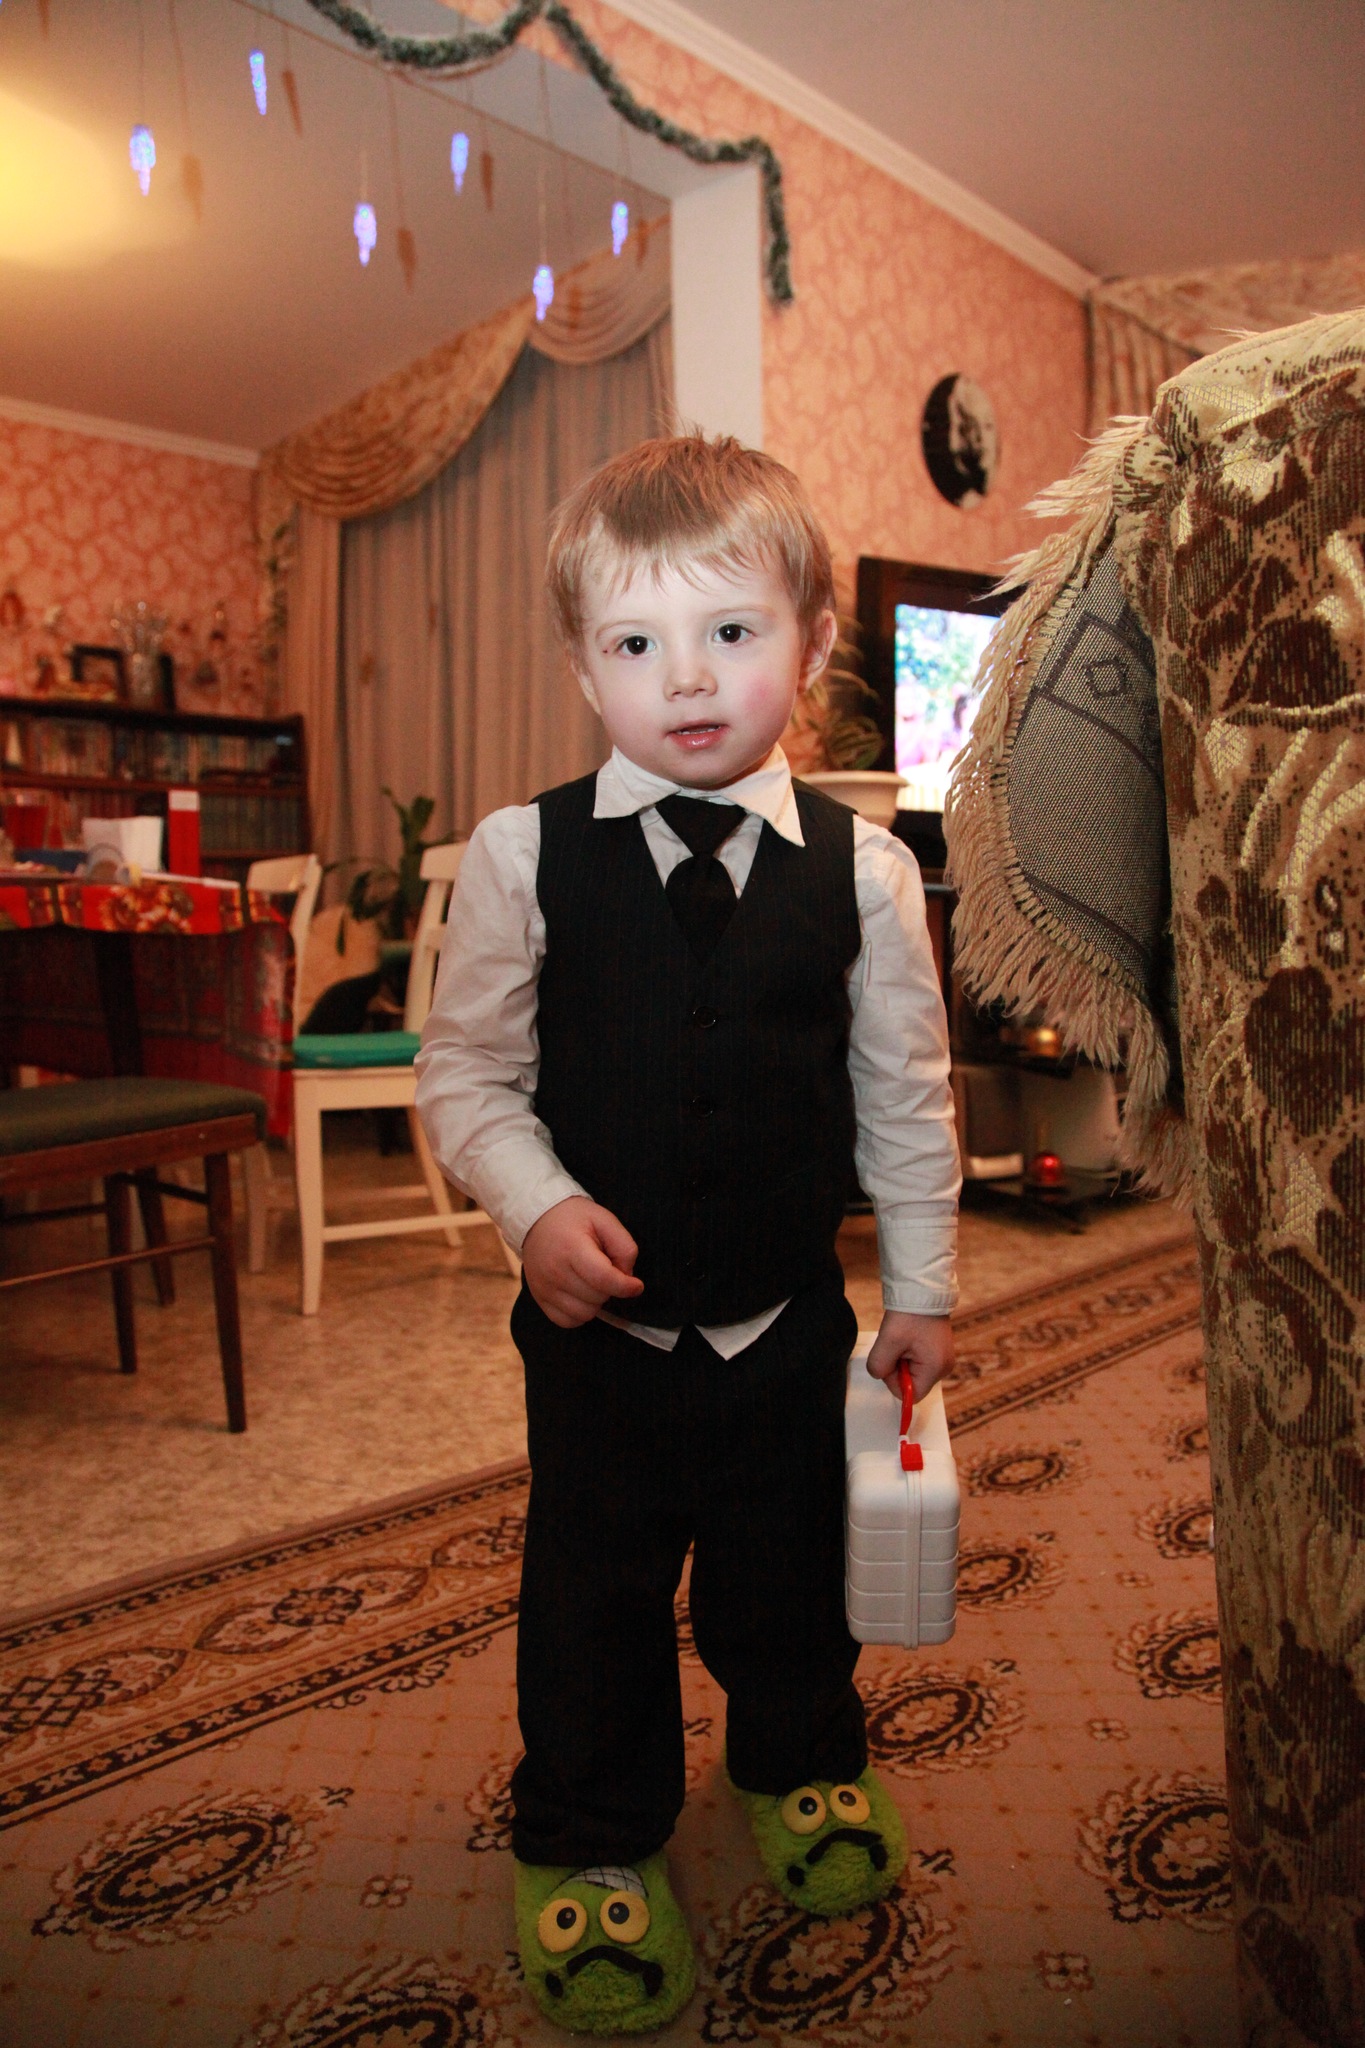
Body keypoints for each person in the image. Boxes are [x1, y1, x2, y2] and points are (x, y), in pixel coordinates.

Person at [416, 433, 959, 2035]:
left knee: (788, 1567)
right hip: (601, 1345)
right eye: (636, 642)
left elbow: (905, 1095)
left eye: (730, 630)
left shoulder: (867, 873)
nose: (689, 678)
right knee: (592, 1588)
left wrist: (921, 1287)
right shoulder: (522, 854)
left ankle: (796, 1760)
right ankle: (589, 1827)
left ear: (812, 641)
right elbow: (465, 1076)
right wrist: (533, 1207)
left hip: (787, 1324)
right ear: (583, 666)